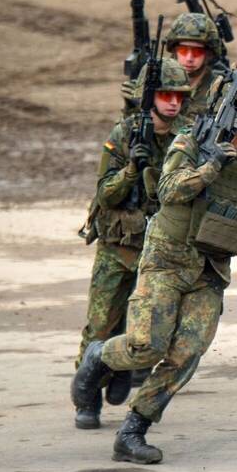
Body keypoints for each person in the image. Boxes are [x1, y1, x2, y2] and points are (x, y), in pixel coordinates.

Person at [71, 94, 237, 464]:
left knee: (187, 353)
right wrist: (211, 167)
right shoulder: (191, 141)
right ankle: (100, 355)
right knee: (148, 345)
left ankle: (133, 430)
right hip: (166, 260)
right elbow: (169, 189)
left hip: (209, 270)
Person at [74, 60, 191, 429]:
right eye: (164, 95)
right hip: (117, 246)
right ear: (148, 98)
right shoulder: (123, 135)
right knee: (100, 324)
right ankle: (87, 397)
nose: (173, 103)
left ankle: (122, 369)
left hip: (157, 250)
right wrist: (130, 171)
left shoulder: (185, 137)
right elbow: (105, 195)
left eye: (178, 96)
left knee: (146, 329)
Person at [165, 12, 226, 123]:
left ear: (208, 54)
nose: (189, 58)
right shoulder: (159, 82)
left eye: (197, 52)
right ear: (174, 51)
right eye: (183, 50)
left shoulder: (220, 90)